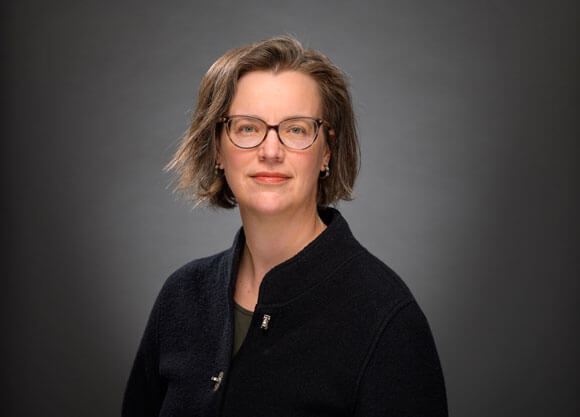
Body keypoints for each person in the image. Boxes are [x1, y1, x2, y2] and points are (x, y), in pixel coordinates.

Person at [122, 36, 448, 417]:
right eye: (246, 128)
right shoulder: (181, 298)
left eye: (295, 129)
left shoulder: (386, 318)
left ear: (326, 150)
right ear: (216, 150)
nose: (271, 151)